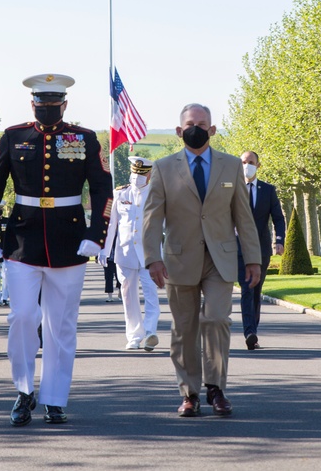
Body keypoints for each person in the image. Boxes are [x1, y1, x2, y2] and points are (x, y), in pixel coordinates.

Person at [0, 73, 113, 427]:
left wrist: (96, 235)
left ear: (65, 105)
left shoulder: (83, 139)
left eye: (54, 106)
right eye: (42, 105)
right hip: (22, 240)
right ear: (33, 104)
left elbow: (103, 189)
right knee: (21, 317)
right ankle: (23, 390)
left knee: (62, 326)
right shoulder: (14, 136)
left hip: (70, 241)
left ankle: (55, 398)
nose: (48, 111)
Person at [142, 103, 261, 418]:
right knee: (184, 328)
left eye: (203, 123)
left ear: (213, 129)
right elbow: (152, 218)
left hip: (220, 259)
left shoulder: (231, 165)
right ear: (180, 131)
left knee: (216, 320)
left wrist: (253, 259)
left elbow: (243, 217)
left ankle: (216, 388)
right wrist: (152, 257)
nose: (197, 128)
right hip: (180, 260)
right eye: (190, 124)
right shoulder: (164, 167)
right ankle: (189, 393)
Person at [101, 156, 160, 352]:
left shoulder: (156, 194)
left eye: (142, 174)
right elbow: (112, 224)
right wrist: (105, 249)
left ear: (149, 175)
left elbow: (167, 226)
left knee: (151, 294)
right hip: (125, 253)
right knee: (128, 296)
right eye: (135, 173)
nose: (137, 178)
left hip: (150, 254)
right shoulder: (119, 193)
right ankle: (134, 336)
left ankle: (150, 332)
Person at [237, 151, 286, 350]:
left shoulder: (268, 190)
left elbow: (278, 218)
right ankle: (249, 332)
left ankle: (253, 331)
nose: (246, 165)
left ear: (258, 166)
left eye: (250, 162)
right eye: (243, 162)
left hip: (261, 248)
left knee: (256, 290)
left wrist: (279, 240)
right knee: (247, 288)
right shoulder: (231, 189)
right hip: (238, 247)